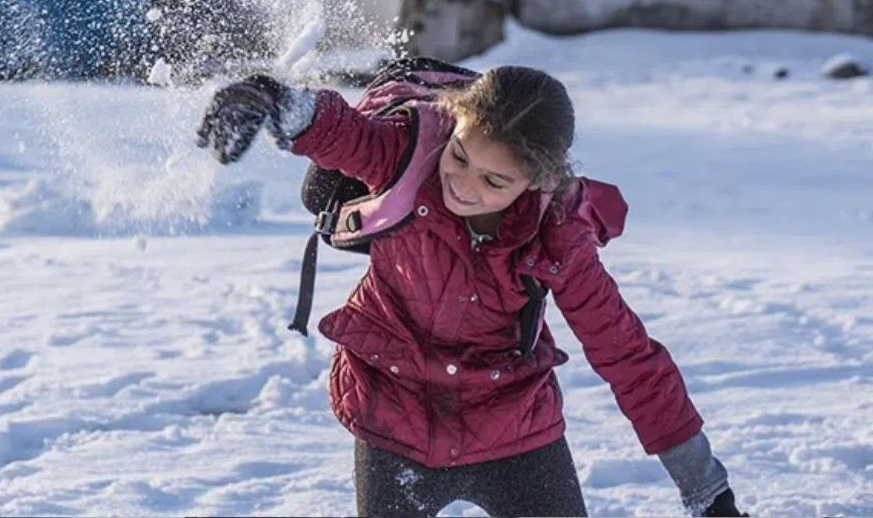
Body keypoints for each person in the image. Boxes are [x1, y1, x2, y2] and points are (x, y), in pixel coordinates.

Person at [195, 67, 746, 518]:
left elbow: (626, 356)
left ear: (539, 181)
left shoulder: (558, 237)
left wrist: (705, 489)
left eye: (494, 181)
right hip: (393, 416)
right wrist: (270, 98)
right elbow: (340, 131)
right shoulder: (407, 156)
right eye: (460, 156)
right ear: (453, 122)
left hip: (515, 427)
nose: (463, 184)